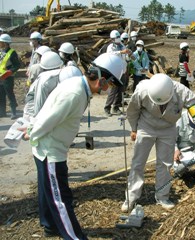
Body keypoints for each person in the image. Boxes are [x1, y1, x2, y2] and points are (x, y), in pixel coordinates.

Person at [20, 53, 125, 239]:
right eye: (110, 84)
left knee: (48, 190)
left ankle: (50, 225)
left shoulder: (79, 86)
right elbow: (49, 118)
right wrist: (33, 132)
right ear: (101, 79)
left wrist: (33, 128)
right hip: (50, 150)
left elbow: (50, 110)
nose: (108, 89)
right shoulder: (75, 93)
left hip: (51, 146)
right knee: (60, 198)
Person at [122, 73, 195, 212]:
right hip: (146, 125)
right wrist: (134, 128)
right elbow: (132, 111)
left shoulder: (183, 92)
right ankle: (131, 197)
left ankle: (162, 196)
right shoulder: (142, 90)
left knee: (165, 164)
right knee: (138, 163)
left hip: (168, 128)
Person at [104, 30, 130, 116]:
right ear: (112, 39)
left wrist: (128, 55)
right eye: (117, 37)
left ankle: (116, 107)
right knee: (113, 90)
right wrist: (120, 52)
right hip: (114, 71)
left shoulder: (122, 45)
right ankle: (107, 107)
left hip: (122, 70)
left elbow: (125, 56)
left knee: (121, 89)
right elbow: (110, 54)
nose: (118, 39)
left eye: (119, 37)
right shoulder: (111, 46)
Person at [0, 33, 21, 119]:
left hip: (8, 77)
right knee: (1, 95)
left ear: (5, 43)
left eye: (1, 42)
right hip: (1, 77)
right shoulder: (1, 52)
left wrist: (10, 71)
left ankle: (13, 112)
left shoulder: (12, 53)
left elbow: (17, 65)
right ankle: (2, 112)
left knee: (10, 94)